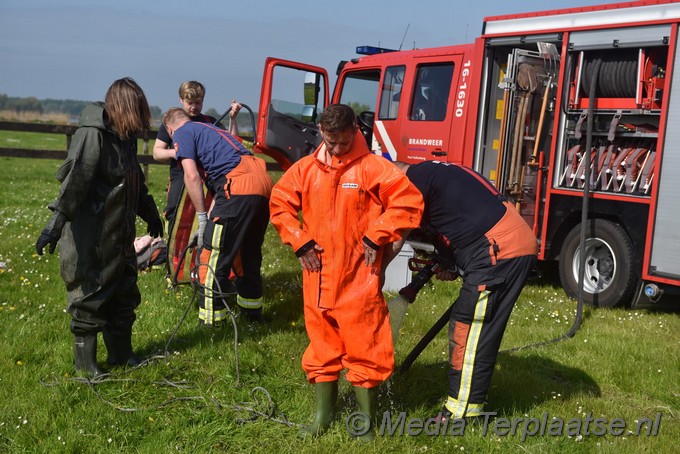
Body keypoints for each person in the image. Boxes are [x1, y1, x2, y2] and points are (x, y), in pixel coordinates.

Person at [269, 104, 424, 440]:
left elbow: (408, 203)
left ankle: (364, 421)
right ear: (322, 134)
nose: (336, 149)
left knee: (364, 345)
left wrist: (376, 234)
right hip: (317, 273)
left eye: (341, 142)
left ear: (355, 130)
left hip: (359, 275)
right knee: (321, 344)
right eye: (329, 142)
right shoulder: (306, 169)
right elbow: (280, 203)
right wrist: (299, 240)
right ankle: (322, 417)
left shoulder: (374, 169)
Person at [35, 77, 163, 377]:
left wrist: (151, 213)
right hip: (91, 233)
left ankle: (121, 355)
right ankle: (86, 366)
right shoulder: (93, 136)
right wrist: (54, 225)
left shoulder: (126, 137)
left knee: (123, 293)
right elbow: (76, 182)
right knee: (90, 295)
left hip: (120, 234)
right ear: (123, 107)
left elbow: (135, 182)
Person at [393, 160, 538, 421]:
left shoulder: (412, 181)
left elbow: (395, 236)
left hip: (499, 251)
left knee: (469, 327)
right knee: (472, 327)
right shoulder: (434, 172)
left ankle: (462, 412)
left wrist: (374, 272)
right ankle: (466, 402)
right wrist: (452, 262)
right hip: (505, 243)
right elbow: (459, 219)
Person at [163, 108, 273, 324]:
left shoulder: (183, 132)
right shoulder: (212, 130)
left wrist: (202, 219)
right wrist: (208, 223)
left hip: (237, 187)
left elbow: (192, 176)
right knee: (246, 252)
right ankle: (252, 315)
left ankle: (212, 320)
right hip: (263, 184)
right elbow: (221, 191)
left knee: (212, 254)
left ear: (170, 129)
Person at [153, 80, 241, 225]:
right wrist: (177, 153)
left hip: (209, 179)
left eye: (198, 103)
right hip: (181, 178)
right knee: (176, 217)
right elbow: (157, 152)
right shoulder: (171, 123)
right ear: (181, 100)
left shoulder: (210, 121)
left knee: (210, 219)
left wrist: (233, 119)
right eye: (190, 103)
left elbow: (232, 141)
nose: (194, 107)